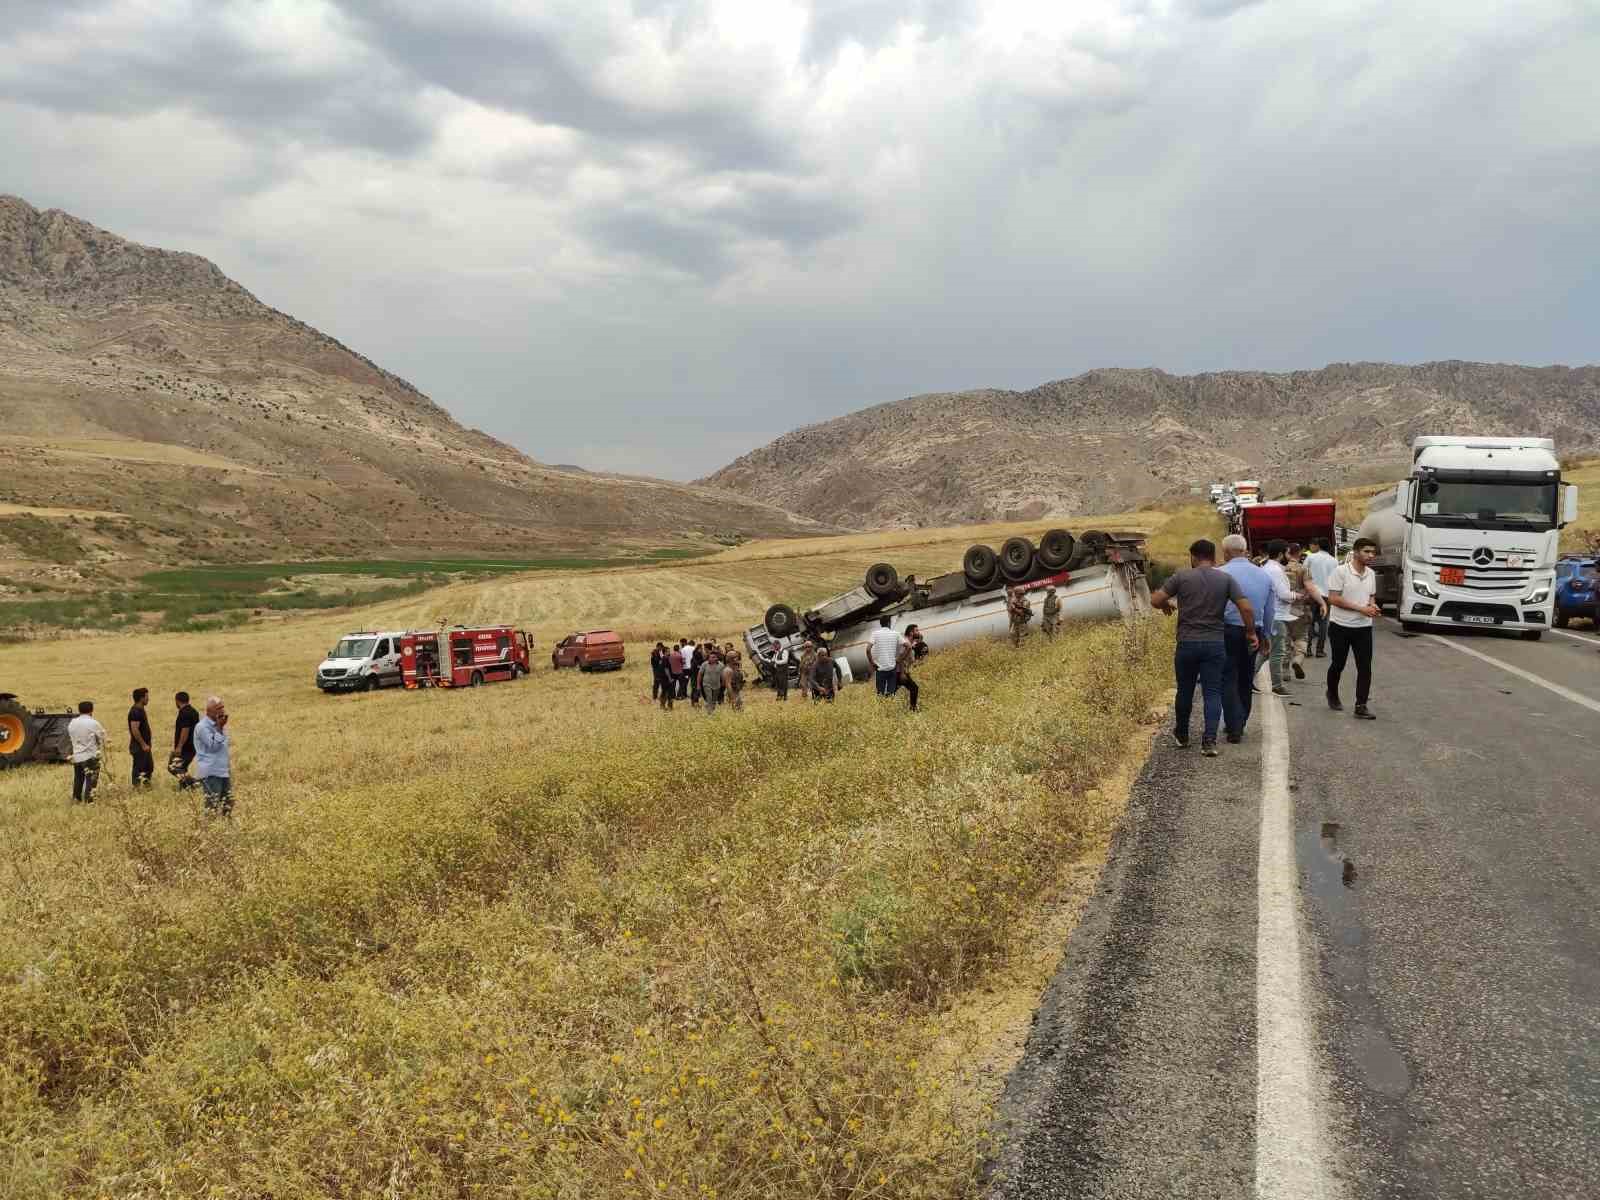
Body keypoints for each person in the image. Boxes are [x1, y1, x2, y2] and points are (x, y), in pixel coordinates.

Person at [1149, 539, 1254, 756]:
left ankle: (1183, 734)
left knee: (1185, 690)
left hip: (1187, 643)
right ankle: (1209, 741)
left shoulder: (1182, 577)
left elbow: (1155, 599)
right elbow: (1245, 607)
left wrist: (1165, 605)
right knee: (1213, 692)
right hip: (1215, 643)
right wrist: (1250, 632)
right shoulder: (1226, 579)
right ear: (1213, 556)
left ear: (1194, 557)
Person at [1219, 534, 1273, 742]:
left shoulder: (1220, 573)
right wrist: (1267, 634)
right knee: (1245, 677)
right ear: (1245, 550)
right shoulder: (1263, 575)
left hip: (1227, 630)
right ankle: (1240, 721)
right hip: (1255, 631)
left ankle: (1233, 725)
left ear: (1225, 552)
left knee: (1228, 676)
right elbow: (1269, 609)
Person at [1326, 538, 1381, 719]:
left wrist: (1373, 607)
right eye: (1366, 551)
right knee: (1338, 664)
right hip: (1340, 626)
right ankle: (1332, 693)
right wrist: (1361, 609)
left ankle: (1361, 705)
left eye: (1372, 552)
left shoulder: (1371, 574)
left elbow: (1370, 596)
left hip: (1363, 627)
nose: (1370, 555)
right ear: (1356, 552)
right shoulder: (1340, 571)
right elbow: (1333, 598)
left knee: (1365, 667)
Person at [1261, 541, 1303, 697]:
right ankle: (1277, 686)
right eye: (1287, 553)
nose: (1289, 556)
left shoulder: (1269, 567)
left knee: (1266, 651)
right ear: (1280, 554)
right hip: (1277, 614)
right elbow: (1283, 594)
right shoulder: (1275, 571)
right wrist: (1297, 596)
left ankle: (1248, 679)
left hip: (1272, 613)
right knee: (1278, 652)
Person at [193, 695, 233, 816]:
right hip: (211, 773)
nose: (222, 710)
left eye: (222, 707)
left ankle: (225, 830)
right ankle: (210, 832)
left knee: (229, 803)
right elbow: (213, 747)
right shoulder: (202, 727)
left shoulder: (219, 724)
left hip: (223, 770)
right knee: (212, 806)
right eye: (218, 708)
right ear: (209, 711)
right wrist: (220, 728)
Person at [1303, 537, 1339, 657]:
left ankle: (1307, 649)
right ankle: (1319, 650)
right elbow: (1336, 580)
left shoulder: (1311, 557)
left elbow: (1303, 573)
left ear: (1318, 546)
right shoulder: (1334, 561)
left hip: (1311, 594)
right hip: (1326, 596)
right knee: (1324, 623)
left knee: (1310, 622)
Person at [67, 700, 106, 803]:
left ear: (79, 710)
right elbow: (102, 737)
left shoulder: (72, 723)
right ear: (91, 710)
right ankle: (89, 800)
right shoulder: (93, 723)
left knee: (78, 779)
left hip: (77, 756)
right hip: (90, 755)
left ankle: (76, 798)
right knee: (91, 779)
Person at [127, 686, 155, 788]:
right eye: (146, 696)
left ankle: (147, 786)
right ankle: (136, 788)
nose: (148, 699)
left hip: (144, 746)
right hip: (139, 746)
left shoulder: (140, 710)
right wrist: (143, 744)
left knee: (148, 767)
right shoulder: (136, 712)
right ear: (141, 698)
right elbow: (135, 729)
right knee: (139, 768)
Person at [172, 690, 200, 790]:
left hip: (185, 747)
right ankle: (185, 788)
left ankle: (195, 783)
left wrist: (179, 747)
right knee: (181, 768)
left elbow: (185, 730)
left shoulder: (184, 713)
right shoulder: (194, 711)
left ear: (177, 701)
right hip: (193, 745)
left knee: (174, 767)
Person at [867, 616, 902, 697]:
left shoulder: (875, 634)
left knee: (880, 695)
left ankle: (882, 707)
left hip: (880, 669)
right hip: (892, 668)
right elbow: (908, 646)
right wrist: (899, 659)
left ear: (881, 624)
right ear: (889, 623)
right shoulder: (896, 633)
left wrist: (872, 663)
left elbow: (868, 649)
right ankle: (889, 707)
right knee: (891, 694)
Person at [896, 629, 921, 712]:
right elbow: (900, 659)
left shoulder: (910, 644)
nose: (918, 632)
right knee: (914, 688)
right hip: (899, 672)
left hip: (902, 671)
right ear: (911, 633)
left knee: (892, 691)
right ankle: (912, 709)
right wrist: (902, 673)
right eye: (916, 630)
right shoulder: (906, 644)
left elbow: (910, 661)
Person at [699, 650, 723, 715]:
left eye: (714, 657)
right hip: (706, 684)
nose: (712, 658)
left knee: (714, 700)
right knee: (709, 698)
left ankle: (712, 709)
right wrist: (698, 685)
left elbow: (723, 675)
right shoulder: (704, 664)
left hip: (717, 685)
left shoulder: (721, 665)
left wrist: (723, 684)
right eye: (710, 657)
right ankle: (709, 713)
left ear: (716, 658)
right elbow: (700, 675)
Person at [689, 641, 706, 707]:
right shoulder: (698, 658)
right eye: (701, 649)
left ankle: (693, 703)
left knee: (694, 689)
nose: (702, 650)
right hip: (697, 676)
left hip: (694, 676)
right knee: (696, 689)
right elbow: (698, 667)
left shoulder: (693, 658)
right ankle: (695, 703)